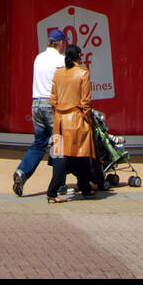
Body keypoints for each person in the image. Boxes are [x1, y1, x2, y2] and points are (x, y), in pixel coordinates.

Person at [12, 28, 67, 195]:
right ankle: (59, 185)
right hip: (51, 105)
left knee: (39, 143)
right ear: (61, 43)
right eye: (65, 43)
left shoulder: (38, 58)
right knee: (58, 145)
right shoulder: (61, 60)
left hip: (36, 103)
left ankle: (22, 171)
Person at [46, 44, 98, 202]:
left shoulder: (58, 73)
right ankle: (53, 191)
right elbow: (85, 102)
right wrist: (89, 120)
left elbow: (53, 99)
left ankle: (85, 187)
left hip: (60, 121)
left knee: (67, 156)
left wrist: (58, 115)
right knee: (75, 155)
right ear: (78, 57)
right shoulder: (83, 73)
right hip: (76, 119)